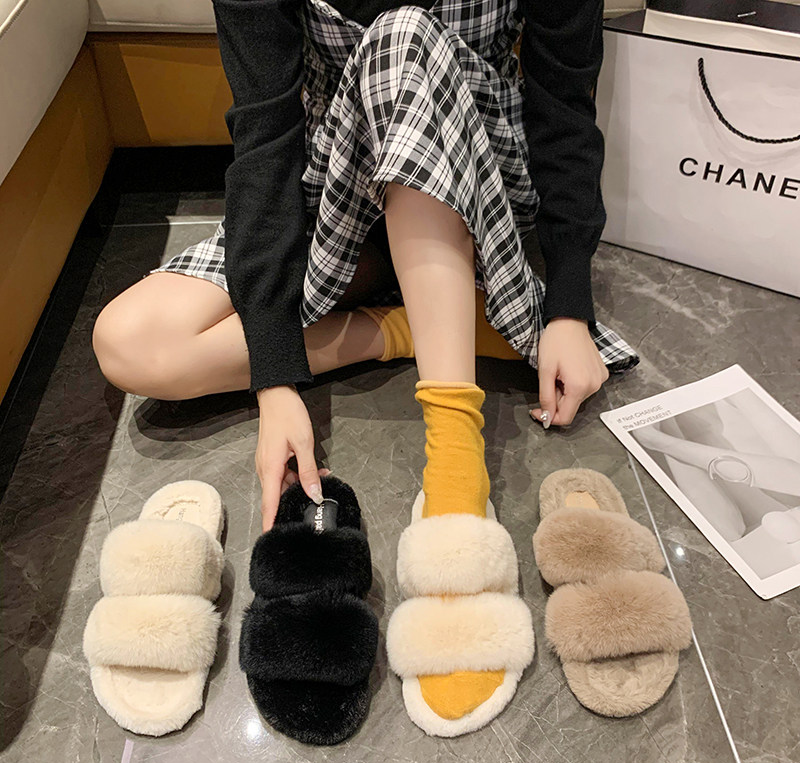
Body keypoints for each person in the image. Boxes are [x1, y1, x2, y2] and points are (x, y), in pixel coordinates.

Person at [93, 0, 637, 531]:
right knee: (130, 344)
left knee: (402, 36)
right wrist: (274, 384)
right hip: (336, 187)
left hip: (473, 180)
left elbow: (564, 107)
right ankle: (415, 327)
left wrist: (569, 308)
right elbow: (264, 132)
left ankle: (455, 460)